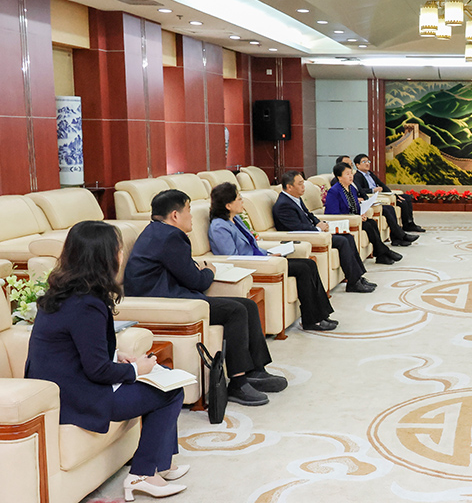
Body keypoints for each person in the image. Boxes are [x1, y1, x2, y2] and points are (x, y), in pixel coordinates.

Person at [27, 221, 189, 500]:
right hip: (77, 398)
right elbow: (98, 371)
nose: (122, 254)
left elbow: (76, 349)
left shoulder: (63, 291)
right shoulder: (86, 303)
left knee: (162, 377)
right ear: (105, 257)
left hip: (66, 387)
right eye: (119, 249)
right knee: (171, 390)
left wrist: (117, 356)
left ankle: (162, 464)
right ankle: (142, 474)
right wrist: (136, 369)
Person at [125, 189, 286, 406]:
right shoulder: (171, 236)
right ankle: (238, 383)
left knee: (247, 305)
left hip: (168, 296)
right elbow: (197, 282)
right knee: (236, 311)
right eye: (188, 210)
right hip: (167, 303)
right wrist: (210, 271)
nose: (191, 216)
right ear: (175, 215)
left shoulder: (156, 232)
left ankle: (257, 371)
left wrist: (199, 271)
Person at [208, 182, 337, 332]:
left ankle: (321, 315)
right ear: (228, 205)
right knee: (303, 268)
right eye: (239, 199)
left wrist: (268, 254)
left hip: (261, 259)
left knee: (309, 264)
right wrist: (264, 259)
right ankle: (311, 320)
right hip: (249, 266)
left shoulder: (235, 219)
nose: (242, 201)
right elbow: (232, 258)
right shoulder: (219, 227)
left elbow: (252, 245)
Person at [272, 171, 376, 293]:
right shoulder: (283, 205)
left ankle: (358, 277)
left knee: (348, 236)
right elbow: (295, 227)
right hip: (303, 237)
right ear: (289, 187)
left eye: (303, 183)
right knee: (342, 241)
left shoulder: (294, 198)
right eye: (300, 184)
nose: (303, 186)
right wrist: (318, 229)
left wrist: (319, 223)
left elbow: (309, 215)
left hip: (313, 231)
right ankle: (353, 283)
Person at [325, 162, 404, 264]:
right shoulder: (334, 191)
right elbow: (333, 214)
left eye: (351, 173)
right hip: (343, 221)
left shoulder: (351, 188)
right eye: (347, 174)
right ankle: (384, 252)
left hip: (355, 219)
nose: (351, 176)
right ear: (339, 177)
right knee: (368, 226)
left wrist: (361, 214)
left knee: (371, 222)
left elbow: (356, 207)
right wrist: (354, 218)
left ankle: (381, 255)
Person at [353, 153, 425, 233]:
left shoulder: (370, 174)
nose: (367, 164)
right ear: (357, 165)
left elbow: (382, 185)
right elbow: (360, 190)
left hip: (381, 194)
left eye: (368, 161)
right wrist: (373, 190)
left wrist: (394, 195)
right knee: (402, 202)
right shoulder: (357, 176)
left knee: (407, 197)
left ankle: (410, 223)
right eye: (364, 162)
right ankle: (406, 225)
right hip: (374, 196)